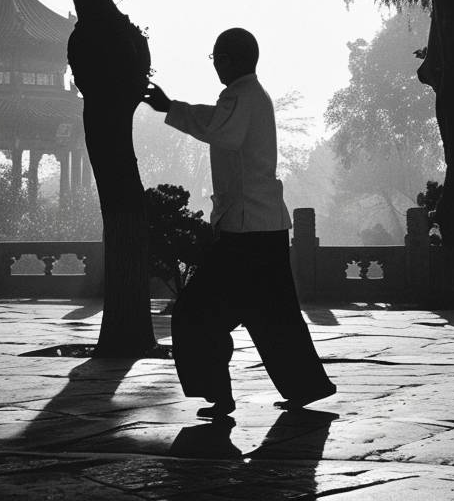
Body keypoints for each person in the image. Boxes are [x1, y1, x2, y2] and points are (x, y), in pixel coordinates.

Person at [143, 27, 335, 418]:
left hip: (246, 231)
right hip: (263, 227)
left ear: (229, 60)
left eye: (216, 58)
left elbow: (220, 132)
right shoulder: (252, 96)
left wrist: (171, 109)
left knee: (197, 311)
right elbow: (220, 125)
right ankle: (304, 388)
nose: (214, 66)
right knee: (275, 315)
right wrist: (174, 108)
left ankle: (219, 392)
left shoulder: (241, 96)